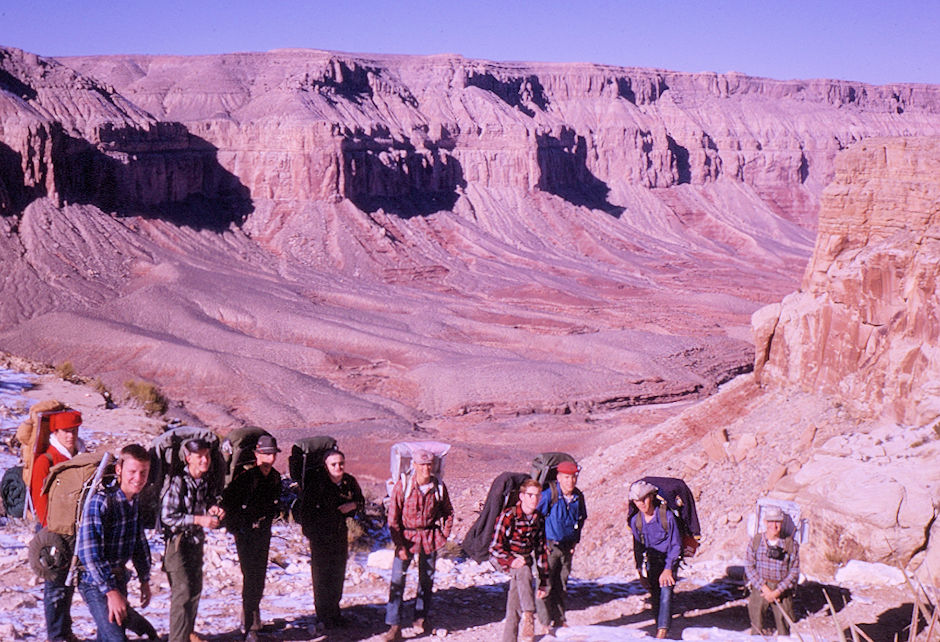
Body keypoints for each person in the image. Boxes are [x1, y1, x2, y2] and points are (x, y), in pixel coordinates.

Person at [75, 444, 154, 642]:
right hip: (94, 582)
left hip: (119, 580)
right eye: (132, 471)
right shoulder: (101, 502)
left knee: (110, 636)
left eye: (143, 473)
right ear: (119, 470)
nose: (138, 478)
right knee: (116, 638)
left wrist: (145, 579)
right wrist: (111, 592)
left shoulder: (133, 502)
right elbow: (89, 554)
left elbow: (139, 543)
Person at [384, 449, 454, 642]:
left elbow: (448, 512)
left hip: (429, 536)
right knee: (398, 580)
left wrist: (444, 534)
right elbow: (393, 517)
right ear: (413, 465)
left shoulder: (438, 487)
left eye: (429, 464)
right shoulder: (403, 486)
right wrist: (399, 545)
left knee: (427, 579)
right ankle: (394, 625)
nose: (425, 468)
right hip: (406, 537)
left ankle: (421, 618)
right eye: (421, 464)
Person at [160, 438, 225, 642]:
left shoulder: (204, 482)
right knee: (182, 592)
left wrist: (213, 509)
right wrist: (200, 519)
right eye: (200, 457)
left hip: (195, 541)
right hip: (177, 543)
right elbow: (168, 517)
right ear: (188, 458)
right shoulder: (178, 481)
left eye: (207, 456)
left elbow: (206, 503)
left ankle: (187, 632)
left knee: (195, 589)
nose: (205, 460)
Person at [220, 435, 283, 642]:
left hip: (263, 531)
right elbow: (230, 503)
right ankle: (249, 626)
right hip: (246, 532)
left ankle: (254, 623)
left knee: (259, 576)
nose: (269, 457)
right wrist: (236, 528)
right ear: (256, 455)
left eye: (272, 454)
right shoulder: (246, 478)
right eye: (265, 453)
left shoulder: (274, 477)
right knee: (251, 577)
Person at [30, 409, 83, 642]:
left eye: (73, 430)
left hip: (75, 531)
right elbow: (40, 501)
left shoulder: (81, 457)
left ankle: (64, 631)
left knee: (68, 584)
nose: (70, 435)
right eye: (65, 431)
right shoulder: (46, 461)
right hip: (52, 533)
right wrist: (51, 534)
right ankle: (57, 635)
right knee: (56, 586)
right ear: (55, 432)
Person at [298, 448, 364, 629]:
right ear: (325, 466)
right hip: (320, 536)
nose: (338, 467)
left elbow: (361, 502)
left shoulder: (349, 481)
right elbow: (305, 512)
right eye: (333, 464)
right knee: (322, 576)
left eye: (341, 463)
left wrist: (353, 506)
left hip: (339, 533)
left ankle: (335, 612)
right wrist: (311, 534)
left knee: (337, 573)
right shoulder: (317, 484)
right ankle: (322, 614)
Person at [490, 478, 549, 642]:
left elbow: (541, 550)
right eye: (530, 495)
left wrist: (543, 581)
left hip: (523, 559)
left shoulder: (538, 519)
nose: (534, 499)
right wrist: (511, 561)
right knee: (523, 570)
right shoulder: (509, 516)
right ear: (522, 496)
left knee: (514, 602)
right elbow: (494, 546)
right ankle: (529, 614)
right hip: (503, 559)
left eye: (538, 496)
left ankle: (509, 639)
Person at [536, 459, 587, 632]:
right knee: (545, 584)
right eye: (566, 477)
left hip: (567, 547)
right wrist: (540, 543)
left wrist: (575, 541)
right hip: (549, 547)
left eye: (573, 477)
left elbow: (581, 519)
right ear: (558, 477)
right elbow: (536, 518)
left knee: (562, 583)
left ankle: (559, 619)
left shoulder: (578, 497)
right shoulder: (549, 494)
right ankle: (544, 622)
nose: (570, 481)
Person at [629, 480, 680, 639]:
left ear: (652, 496)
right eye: (637, 500)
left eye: (644, 498)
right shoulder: (636, 522)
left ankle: (662, 630)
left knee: (666, 592)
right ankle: (659, 624)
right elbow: (638, 547)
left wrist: (668, 568)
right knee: (655, 594)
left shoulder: (667, 517)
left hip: (668, 558)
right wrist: (640, 570)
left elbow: (676, 545)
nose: (642, 503)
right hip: (652, 560)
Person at [745, 507, 800, 636]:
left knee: (784, 627)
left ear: (782, 523)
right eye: (770, 521)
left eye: (777, 522)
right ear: (765, 522)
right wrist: (765, 589)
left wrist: (777, 591)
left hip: (782, 589)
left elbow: (794, 571)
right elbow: (749, 566)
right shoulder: (756, 541)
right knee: (756, 625)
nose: (774, 525)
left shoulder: (790, 544)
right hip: (760, 587)